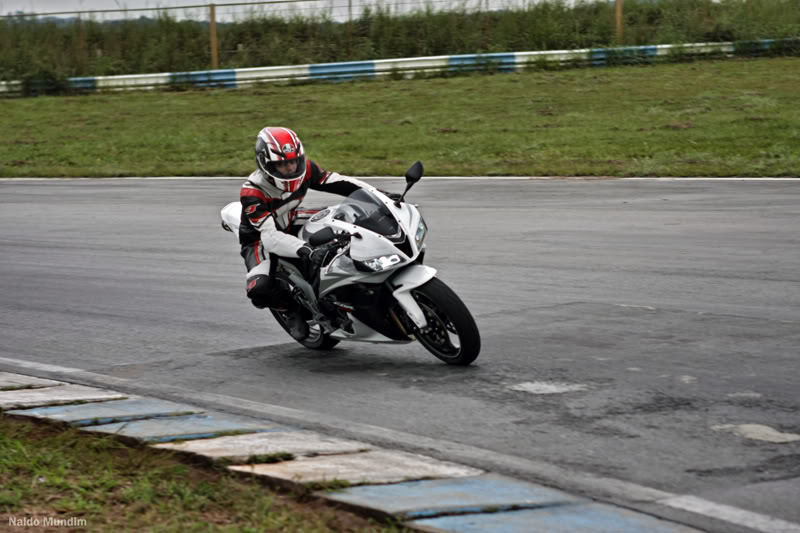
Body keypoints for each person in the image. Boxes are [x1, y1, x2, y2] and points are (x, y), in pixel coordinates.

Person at [238, 126, 382, 341]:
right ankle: (290, 309)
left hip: (291, 217)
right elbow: (270, 237)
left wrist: (378, 196)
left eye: (293, 161)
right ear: (265, 164)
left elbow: (337, 182)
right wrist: (306, 249)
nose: (290, 168)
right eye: (281, 164)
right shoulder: (253, 192)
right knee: (259, 289)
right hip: (259, 237)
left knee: (347, 220)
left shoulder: (305, 168)